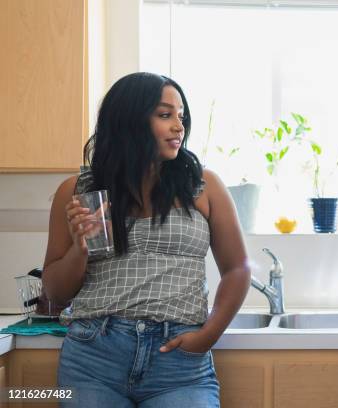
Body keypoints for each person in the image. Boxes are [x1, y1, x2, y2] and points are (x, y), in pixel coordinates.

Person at [42, 72, 251, 407]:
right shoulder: (78, 191)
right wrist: (80, 249)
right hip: (94, 356)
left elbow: (238, 269)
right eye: (165, 115)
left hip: (178, 363)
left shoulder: (204, 186)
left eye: (181, 116)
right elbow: (55, 292)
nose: (178, 126)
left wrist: (208, 335)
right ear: (129, 121)